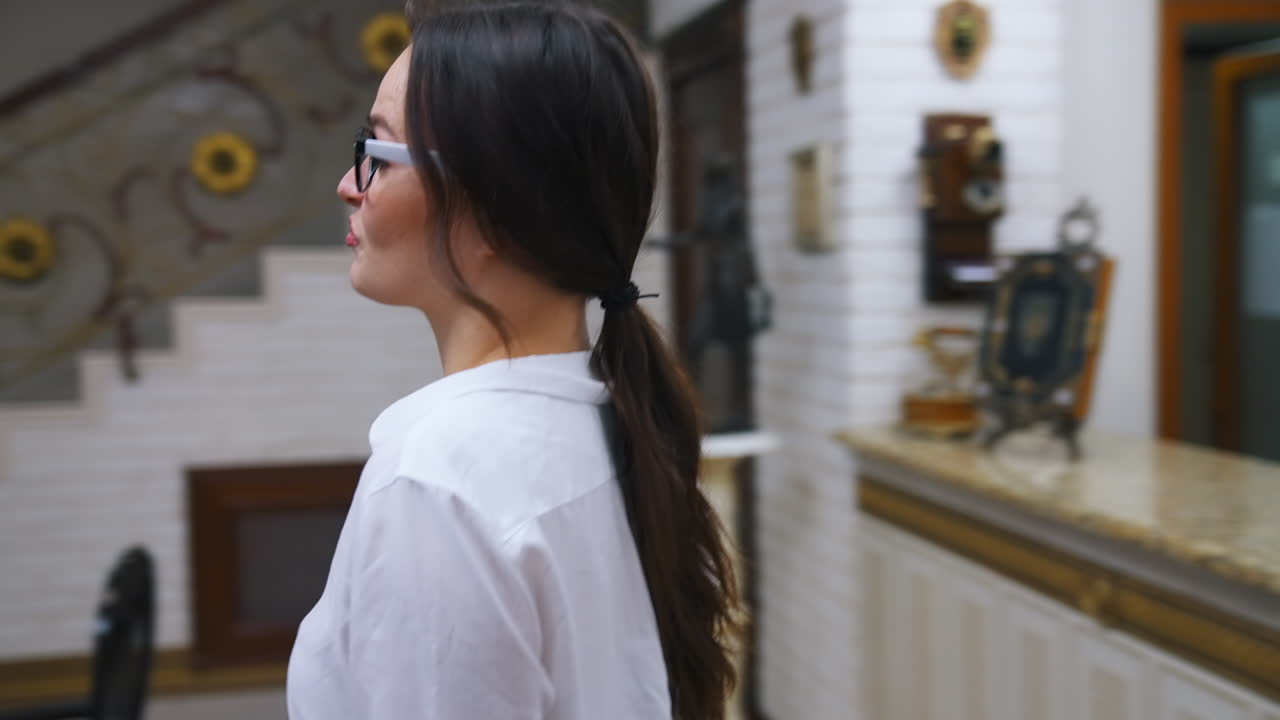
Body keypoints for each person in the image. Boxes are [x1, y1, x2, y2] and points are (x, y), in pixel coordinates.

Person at [285, 2, 741, 719]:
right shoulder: (599, 415)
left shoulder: (439, 483)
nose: (351, 185)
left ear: (494, 208)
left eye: (377, 153)